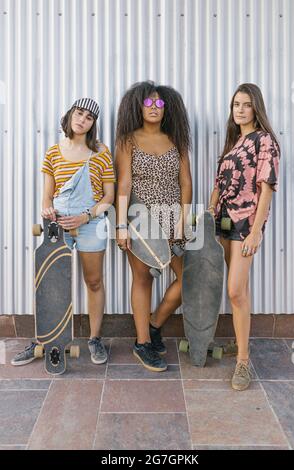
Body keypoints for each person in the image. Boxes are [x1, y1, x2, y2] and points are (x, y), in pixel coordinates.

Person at [11, 98, 115, 367]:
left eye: (89, 117)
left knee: (93, 281)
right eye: (79, 113)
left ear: (93, 124)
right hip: (58, 224)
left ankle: (94, 339)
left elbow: (109, 196)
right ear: (70, 115)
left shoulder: (101, 152)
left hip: (91, 222)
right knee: (51, 282)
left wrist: (86, 215)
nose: (83, 119)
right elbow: (47, 196)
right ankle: (45, 340)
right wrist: (47, 210)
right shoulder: (53, 152)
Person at [115, 81, 192, 372]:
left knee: (188, 280)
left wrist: (183, 219)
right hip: (139, 220)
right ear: (138, 106)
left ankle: (155, 322)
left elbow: (186, 182)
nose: (154, 108)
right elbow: (123, 184)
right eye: (149, 103)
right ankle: (143, 342)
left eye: (159, 104)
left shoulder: (176, 140)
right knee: (143, 278)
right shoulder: (127, 140)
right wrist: (121, 225)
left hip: (173, 218)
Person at [208, 84, 280, 390]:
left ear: (256, 108)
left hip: (245, 225)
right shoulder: (233, 142)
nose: (240, 109)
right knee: (239, 291)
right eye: (236, 104)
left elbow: (267, 187)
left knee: (236, 289)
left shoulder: (265, 141)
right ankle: (240, 353)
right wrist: (210, 209)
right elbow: (220, 183)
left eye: (246, 104)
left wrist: (256, 231)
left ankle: (243, 362)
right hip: (222, 224)